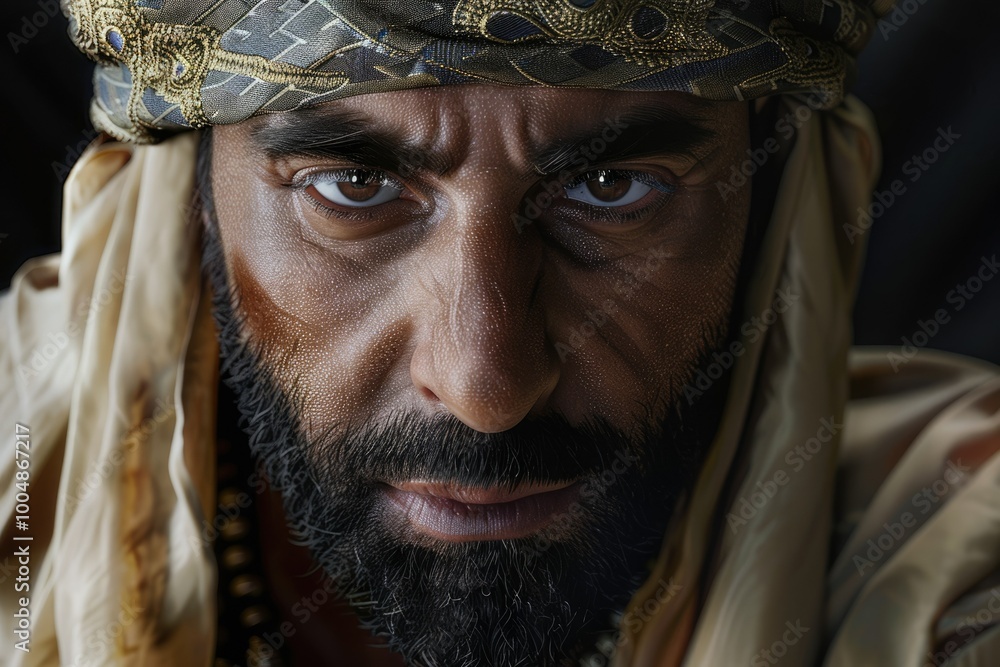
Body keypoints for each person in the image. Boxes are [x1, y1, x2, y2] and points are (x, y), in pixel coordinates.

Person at [2, 1, 998, 666]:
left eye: (611, 189)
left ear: (778, 201)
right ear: (188, 202)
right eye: (354, 189)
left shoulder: (955, 552)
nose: (486, 383)